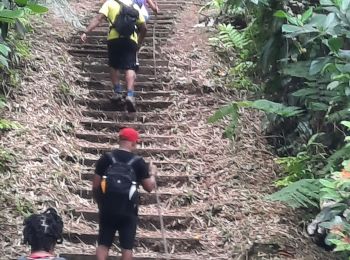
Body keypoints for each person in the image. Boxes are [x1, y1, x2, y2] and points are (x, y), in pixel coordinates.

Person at [92, 127, 157, 260]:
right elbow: (149, 187)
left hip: (108, 208)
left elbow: (95, 185)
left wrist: (101, 203)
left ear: (120, 140)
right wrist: (153, 174)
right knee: (127, 248)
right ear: (133, 143)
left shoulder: (106, 158)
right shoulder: (138, 162)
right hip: (128, 211)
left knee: (103, 244)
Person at [80, 0, 147, 112]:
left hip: (114, 38)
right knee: (130, 67)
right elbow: (144, 28)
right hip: (131, 40)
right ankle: (130, 94)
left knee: (114, 65)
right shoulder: (135, 6)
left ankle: (118, 91)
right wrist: (138, 43)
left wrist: (86, 32)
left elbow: (98, 18)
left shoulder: (110, 3)